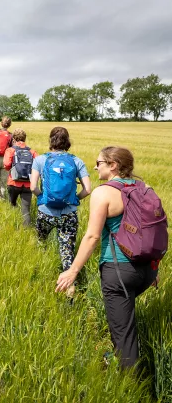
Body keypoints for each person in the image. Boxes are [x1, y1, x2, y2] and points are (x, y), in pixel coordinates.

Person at [55, 147, 159, 369]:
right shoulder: (145, 188)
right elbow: (153, 229)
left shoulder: (103, 193)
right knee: (124, 320)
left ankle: (129, 385)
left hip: (119, 270)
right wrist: (153, 262)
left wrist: (72, 271)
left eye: (99, 162)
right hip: (148, 269)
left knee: (124, 333)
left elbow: (92, 236)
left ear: (113, 165)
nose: (95, 166)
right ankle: (118, 358)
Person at [30, 127, 91, 293]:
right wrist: (74, 199)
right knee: (67, 253)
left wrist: (42, 198)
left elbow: (33, 187)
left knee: (39, 242)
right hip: (68, 214)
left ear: (51, 141)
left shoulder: (40, 160)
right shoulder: (76, 161)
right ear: (67, 141)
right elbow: (88, 189)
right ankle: (70, 290)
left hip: (45, 212)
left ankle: (36, 274)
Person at [3, 128, 38, 226]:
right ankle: (26, 231)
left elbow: (6, 165)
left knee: (11, 204)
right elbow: (38, 166)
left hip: (13, 182)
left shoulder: (10, 150)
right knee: (26, 210)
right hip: (28, 184)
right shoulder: (32, 151)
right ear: (25, 138)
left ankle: (12, 226)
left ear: (14, 138)